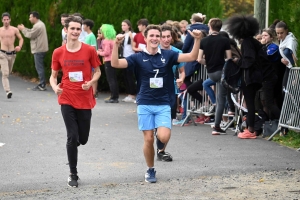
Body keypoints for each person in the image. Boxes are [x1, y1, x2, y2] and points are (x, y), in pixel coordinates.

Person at [111, 24, 203, 183]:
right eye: (151, 36)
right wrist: (115, 45)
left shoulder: (168, 55)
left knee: (164, 136)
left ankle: (159, 138)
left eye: (157, 36)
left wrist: (197, 40)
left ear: (160, 39)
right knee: (148, 139)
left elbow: (192, 57)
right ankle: (150, 169)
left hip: (163, 103)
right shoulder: (137, 57)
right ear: (145, 38)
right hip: (145, 103)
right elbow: (115, 64)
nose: (154, 38)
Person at [49, 15, 101, 188]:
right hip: (67, 97)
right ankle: (73, 173)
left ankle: (76, 142)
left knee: (83, 139)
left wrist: (91, 82)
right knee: (72, 137)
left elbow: (98, 72)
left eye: (78, 29)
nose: (75, 31)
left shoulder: (89, 50)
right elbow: (53, 76)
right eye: (72, 28)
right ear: (66, 30)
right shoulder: (58, 52)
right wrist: (55, 87)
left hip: (85, 98)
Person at [197, 18, 232, 135]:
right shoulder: (224, 40)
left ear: (210, 26)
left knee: (218, 97)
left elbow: (199, 59)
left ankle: (217, 122)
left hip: (211, 72)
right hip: (222, 72)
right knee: (221, 100)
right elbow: (229, 59)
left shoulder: (204, 41)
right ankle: (217, 125)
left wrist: (209, 62)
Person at [158, 24, 185, 157]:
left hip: (171, 91)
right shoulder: (153, 50)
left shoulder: (177, 53)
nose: (166, 39)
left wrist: (181, 79)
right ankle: (157, 139)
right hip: (155, 91)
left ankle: (161, 151)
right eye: (163, 37)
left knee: (168, 122)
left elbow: (182, 71)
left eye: (168, 36)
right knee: (156, 124)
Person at [18, 11, 48, 91]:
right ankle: (42, 83)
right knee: (39, 67)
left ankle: (42, 84)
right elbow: (32, 31)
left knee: (39, 67)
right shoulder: (39, 24)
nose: (29, 19)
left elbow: (30, 35)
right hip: (41, 49)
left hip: (39, 50)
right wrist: (24, 28)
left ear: (35, 17)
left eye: (30, 17)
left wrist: (23, 29)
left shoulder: (38, 26)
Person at [0, 12, 23, 99]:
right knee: (5, 73)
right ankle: (8, 91)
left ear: (10, 20)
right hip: (2, 53)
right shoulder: (0, 30)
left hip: (12, 54)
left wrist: (19, 46)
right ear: (2, 20)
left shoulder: (14, 30)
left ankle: (7, 89)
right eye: (4, 20)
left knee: (8, 72)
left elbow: (21, 39)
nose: (6, 21)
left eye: (7, 19)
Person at [97, 24, 119, 103]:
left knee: (111, 79)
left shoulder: (106, 41)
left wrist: (99, 53)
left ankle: (113, 97)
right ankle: (115, 95)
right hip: (113, 60)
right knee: (113, 78)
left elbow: (106, 52)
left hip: (108, 60)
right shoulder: (112, 39)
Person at [119, 19, 136, 103]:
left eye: (124, 25)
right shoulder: (121, 35)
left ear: (129, 26)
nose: (123, 27)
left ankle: (132, 94)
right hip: (123, 57)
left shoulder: (133, 34)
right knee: (125, 76)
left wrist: (130, 36)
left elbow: (134, 45)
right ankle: (129, 93)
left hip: (131, 57)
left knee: (130, 76)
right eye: (122, 25)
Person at [83, 19, 98, 98]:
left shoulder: (91, 36)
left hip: (91, 59)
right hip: (87, 58)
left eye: (84, 25)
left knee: (93, 75)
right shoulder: (88, 35)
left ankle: (94, 92)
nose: (83, 27)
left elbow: (93, 48)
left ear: (88, 26)